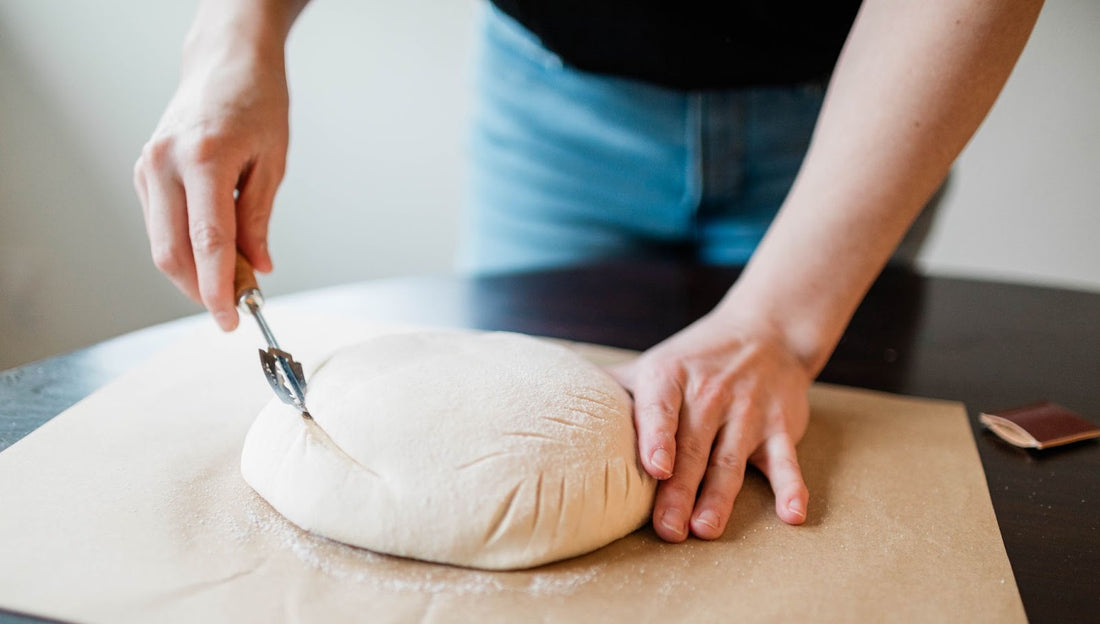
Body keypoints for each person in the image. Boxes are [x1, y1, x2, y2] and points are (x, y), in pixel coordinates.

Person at [134, 0, 1043, 544]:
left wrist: (780, 325)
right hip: (553, 95)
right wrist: (233, 39)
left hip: (861, 108)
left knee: (774, 469)